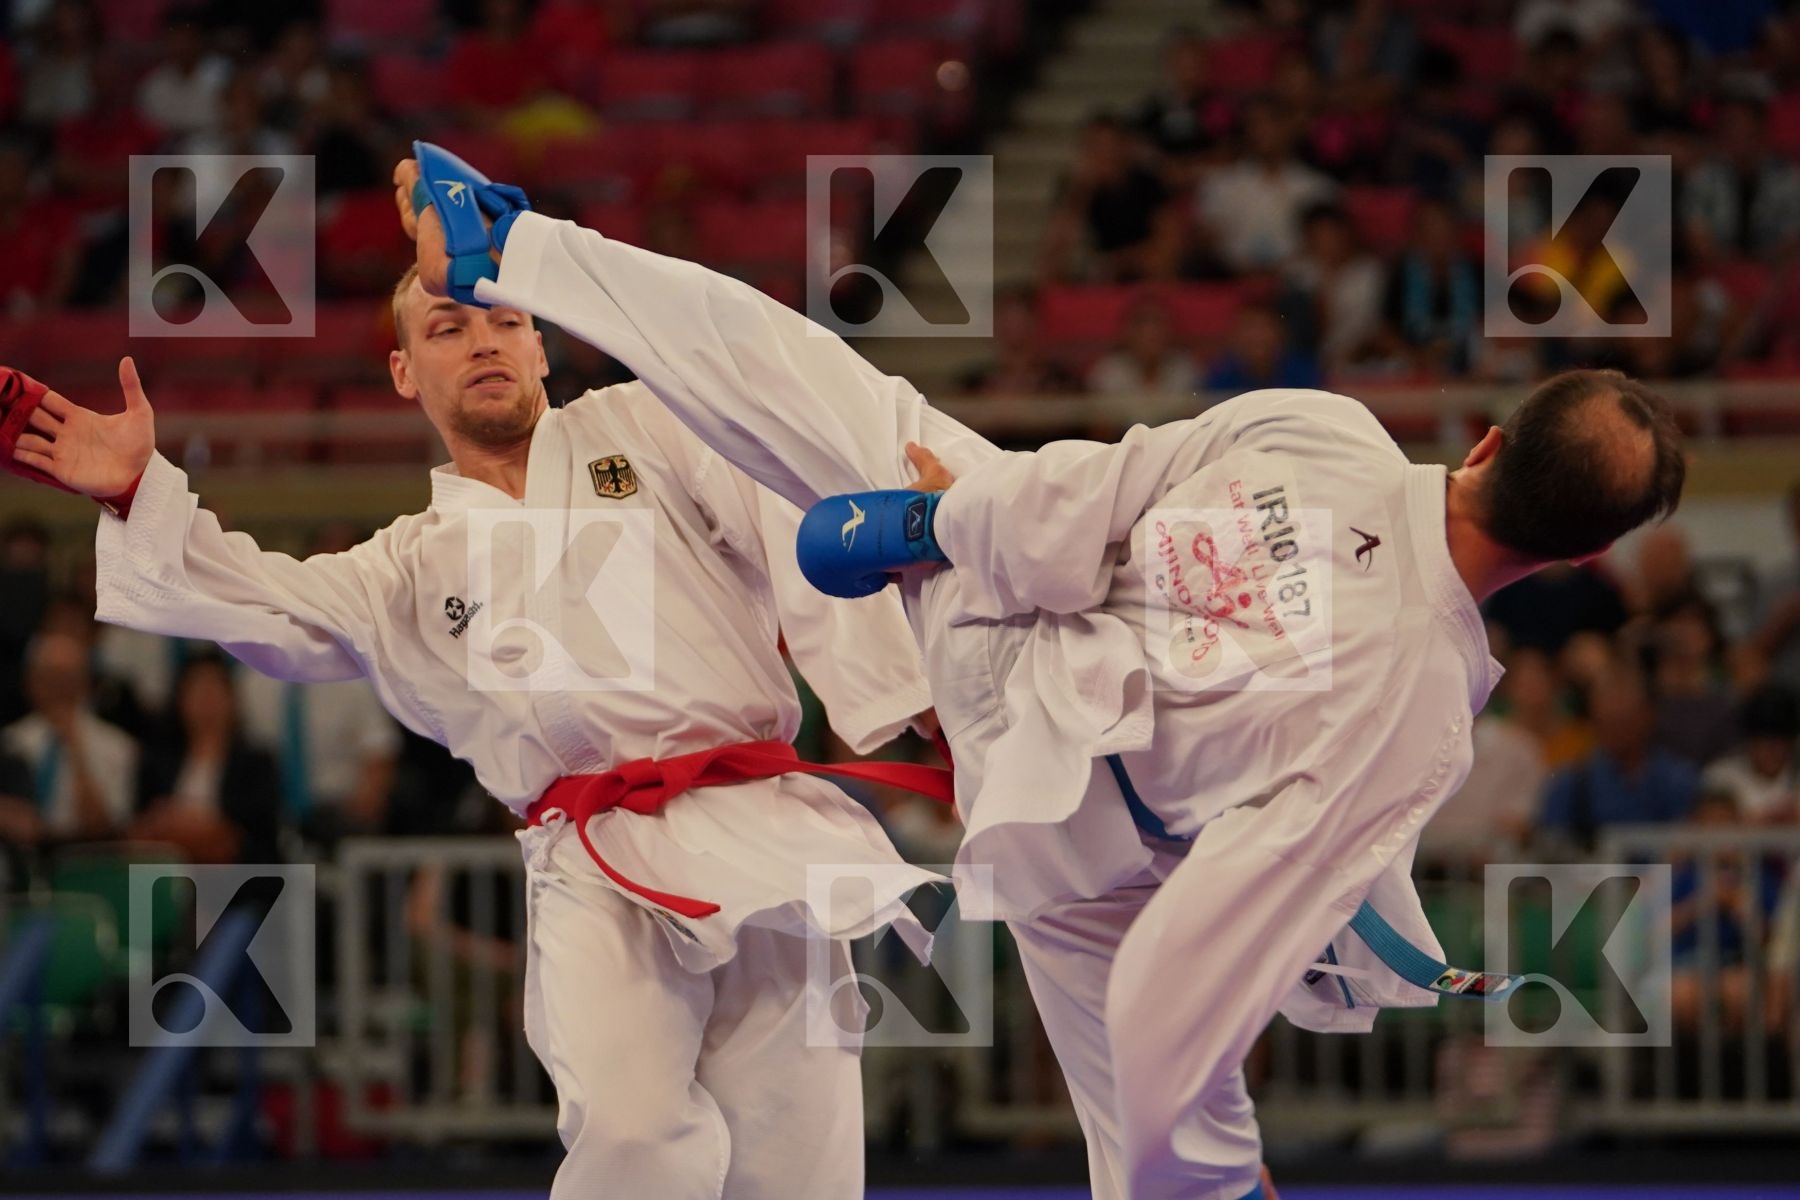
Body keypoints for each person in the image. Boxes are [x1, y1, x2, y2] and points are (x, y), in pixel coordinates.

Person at [389, 148, 1686, 1200]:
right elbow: (1246, 917)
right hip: (1077, 853)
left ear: (1491, 439)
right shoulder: (1416, 729)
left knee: (797, 383)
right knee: (1168, 1147)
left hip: (1008, 637)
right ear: (1581, 560)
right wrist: (1206, 1130)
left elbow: (1103, 486)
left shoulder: (1328, 434)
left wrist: (940, 526)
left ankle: (519, 249)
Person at [1, 273, 944, 1195]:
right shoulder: (408, 565)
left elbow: (795, 518)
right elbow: (267, 602)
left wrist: (912, 699)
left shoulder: (651, 428)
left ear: (541, 345)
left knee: (796, 1167)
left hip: (760, 830)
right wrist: (136, 495)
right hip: (592, 857)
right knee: (632, 1134)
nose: (484, 340)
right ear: (406, 371)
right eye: (448, 328)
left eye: (505, 320)